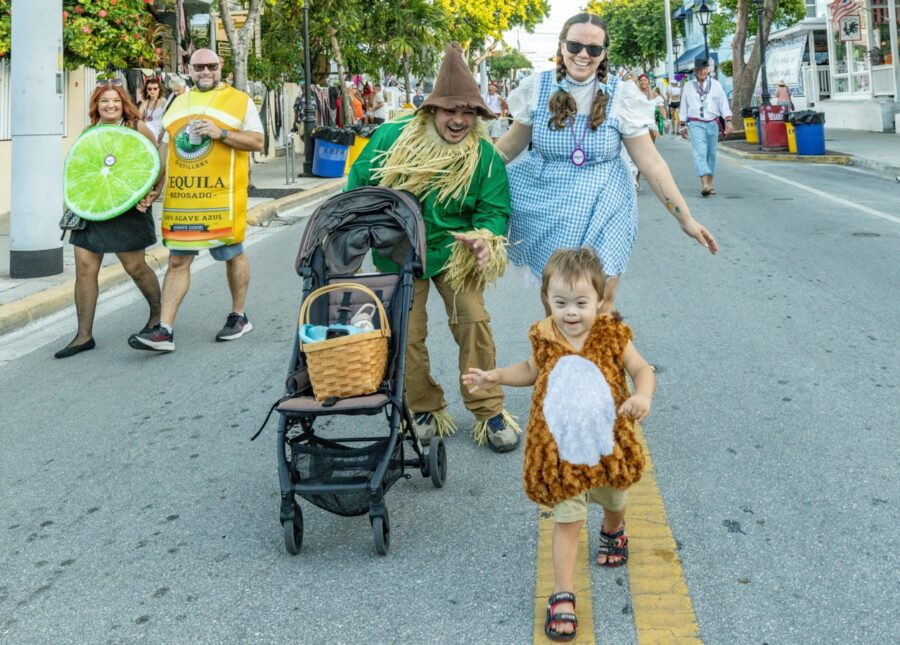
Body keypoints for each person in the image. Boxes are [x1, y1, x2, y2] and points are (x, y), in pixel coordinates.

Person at [463, 247, 655, 640]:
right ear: (546, 299)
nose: (571, 313)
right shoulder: (545, 336)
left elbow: (640, 368)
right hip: (560, 452)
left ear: (600, 300)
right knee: (567, 519)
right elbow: (531, 371)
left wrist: (642, 396)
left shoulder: (612, 334)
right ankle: (562, 593)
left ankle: (614, 529)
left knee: (615, 500)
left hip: (606, 447)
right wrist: (496, 376)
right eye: (560, 302)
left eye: (581, 303)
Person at [346, 42, 521, 454]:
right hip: (398, 251)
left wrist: (485, 239)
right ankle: (422, 408)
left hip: (454, 253)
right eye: (450, 110)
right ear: (430, 111)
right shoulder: (392, 138)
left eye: (468, 112)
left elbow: (496, 211)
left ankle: (488, 410)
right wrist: (369, 229)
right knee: (406, 333)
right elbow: (356, 186)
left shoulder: (485, 157)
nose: (459, 120)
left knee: (474, 321)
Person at [496, 13, 718, 312]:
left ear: (604, 54)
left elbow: (651, 163)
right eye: (575, 46)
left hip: (606, 204)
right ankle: (564, 358)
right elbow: (507, 148)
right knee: (559, 303)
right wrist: (461, 175)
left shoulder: (622, 94)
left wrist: (685, 219)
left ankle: (607, 357)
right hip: (547, 204)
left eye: (593, 49)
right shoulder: (537, 89)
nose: (583, 55)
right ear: (562, 47)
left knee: (600, 299)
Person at [130, 48, 264, 352]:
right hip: (184, 200)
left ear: (221, 67)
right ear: (188, 69)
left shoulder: (239, 100)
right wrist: (157, 186)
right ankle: (164, 330)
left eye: (212, 66)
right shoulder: (177, 102)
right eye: (199, 66)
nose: (206, 71)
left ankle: (239, 316)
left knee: (232, 255)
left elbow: (258, 142)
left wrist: (222, 134)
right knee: (177, 260)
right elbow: (165, 148)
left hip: (222, 199)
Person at [55, 80, 163, 359]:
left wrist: (153, 194)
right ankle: (83, 335)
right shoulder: (90, 133)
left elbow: (157, 164)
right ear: (96, 106)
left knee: (135, 267)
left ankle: (157, 317)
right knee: (84, 269)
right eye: (104, 101)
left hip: (127, 207)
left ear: (123, 103)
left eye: (115, 100)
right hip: (92, 209)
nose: (110, 105)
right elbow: (81, 171)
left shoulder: (137, 129)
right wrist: (75, 200)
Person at [679, 57, 733, 197]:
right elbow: (684, 106)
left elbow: (723, 104)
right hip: (696, 123)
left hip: (713, 122)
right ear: (695, 72)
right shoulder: (689, 86)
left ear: (708, 70)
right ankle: (704, 184)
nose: (703, 72)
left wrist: (728, 120)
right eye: (699, 70)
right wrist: (682, 124)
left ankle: (710, 183)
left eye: (705, 69)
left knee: (711, 154)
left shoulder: (716, 85)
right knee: (700, 153)